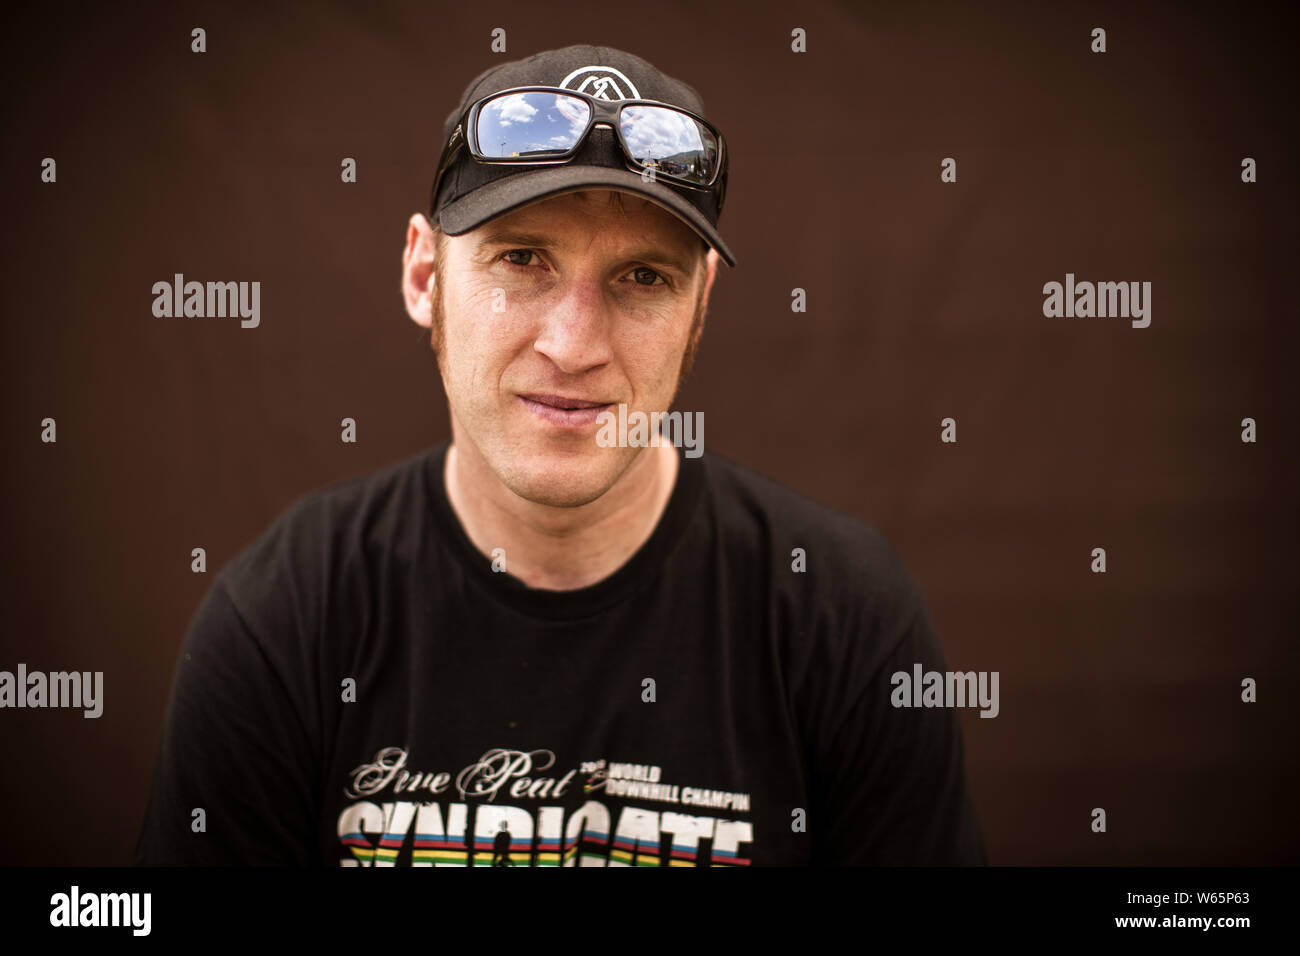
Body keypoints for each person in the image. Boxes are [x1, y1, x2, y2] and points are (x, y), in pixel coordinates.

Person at [133, 44, 987, 867]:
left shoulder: (841, 614)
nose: (574, 345)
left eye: (644, 277)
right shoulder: (287, 617)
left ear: (701, 309)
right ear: (426, 275)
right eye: (522, 259)